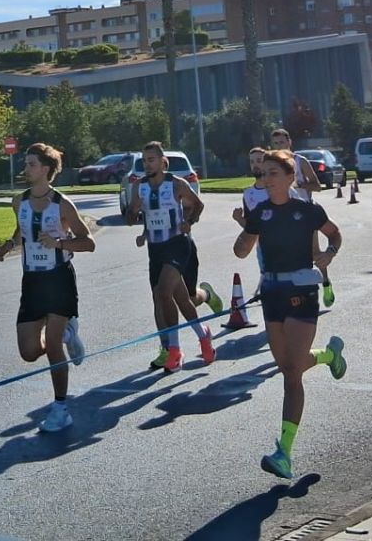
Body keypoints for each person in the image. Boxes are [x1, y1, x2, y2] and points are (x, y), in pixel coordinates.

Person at [235, 148, 346, 481]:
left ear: (288, 178)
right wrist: (244, 233)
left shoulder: (307, 210)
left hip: (301, 292)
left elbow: (334, 233)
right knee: (287, 364)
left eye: (272, 174)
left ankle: (284, 452)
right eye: (262, 174)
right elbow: (241, 251)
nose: (265, 180)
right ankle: (328, 355)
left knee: (291, 373)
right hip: (271, 294)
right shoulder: (260, 212)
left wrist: (329, 253)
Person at [0, 141, 95, 431]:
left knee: (51, 346)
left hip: (58, 279)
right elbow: (22, 230)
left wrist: (59, 243)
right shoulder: (19, 201)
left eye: (31, 164)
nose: (25, 168)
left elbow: (88, 242)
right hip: (32, 281)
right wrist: (11, 244)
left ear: (47, 169)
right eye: (26, 163)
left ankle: (61, 407)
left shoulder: (62, 204)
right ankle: (67, 335)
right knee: (28, 351)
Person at [128, 140, 216, 369]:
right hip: (155, 248)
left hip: (177, 244)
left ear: (162, 162)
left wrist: (188, 221)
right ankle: (202, 334)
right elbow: (134, 215)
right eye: (144, 161)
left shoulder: (175, 184)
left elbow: (197, 205)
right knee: (176, 298)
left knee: (166, 291)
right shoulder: (140, 187)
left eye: (151, 160)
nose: (147, 165)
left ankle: (174, 349)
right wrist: (138, 224)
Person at [237, 145, 332, 307]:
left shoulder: (291, 175)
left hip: (301, 227)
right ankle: (275, 296)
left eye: (259, 160)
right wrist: (240, 222)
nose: (256, 165)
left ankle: (324, 282)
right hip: (265, 241)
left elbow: (313, 189)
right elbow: (251, 226)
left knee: (314, 255)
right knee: (268, 270)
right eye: (252, 162)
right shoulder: (249, 194)